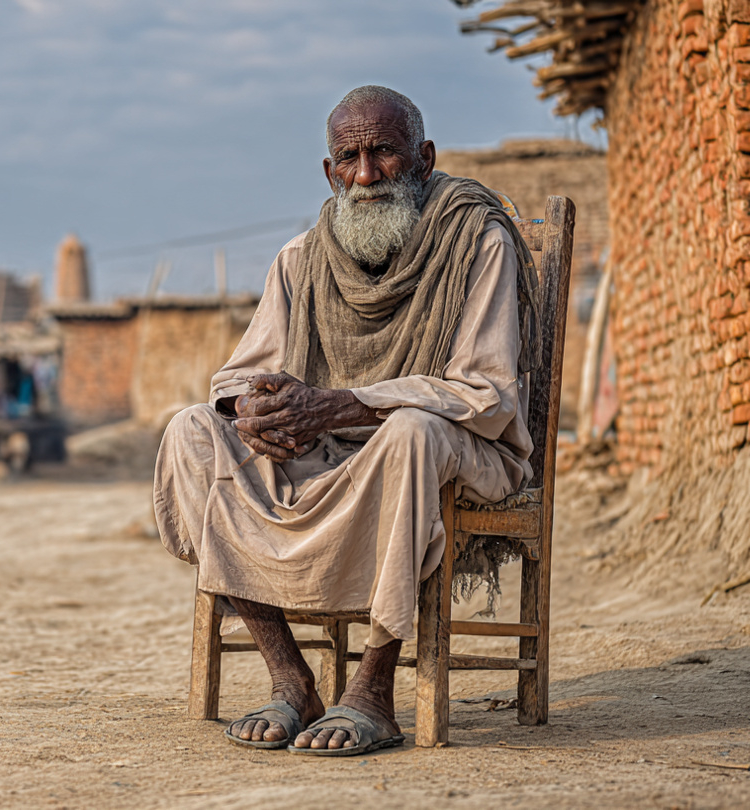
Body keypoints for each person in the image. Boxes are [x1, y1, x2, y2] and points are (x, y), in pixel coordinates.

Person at [153, 85, 539, 756]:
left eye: (383, 153)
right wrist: (254, 411)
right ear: (329, 174)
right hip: (332, 453)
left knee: (411, 431)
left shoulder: (477, 239)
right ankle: (290, 678)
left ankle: (374, 691)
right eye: (348, 158)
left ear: (422, 158)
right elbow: (241, 377)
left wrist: (342, 403)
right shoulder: (301, 259)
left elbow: (486, 393)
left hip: (460, 452)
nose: (365, 176)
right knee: (193, 428)